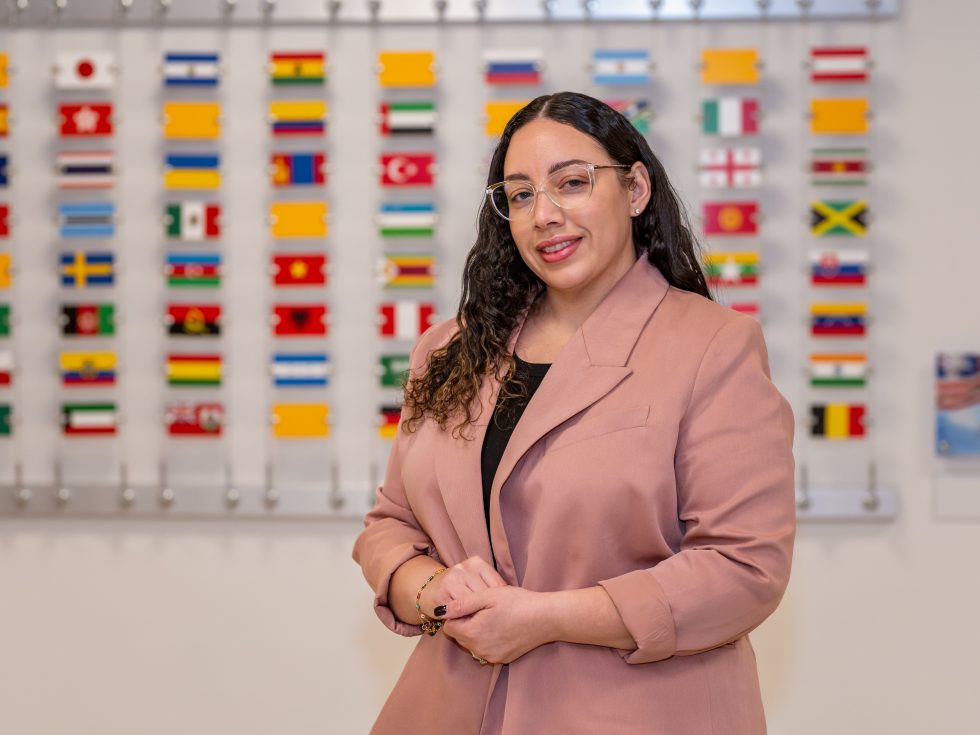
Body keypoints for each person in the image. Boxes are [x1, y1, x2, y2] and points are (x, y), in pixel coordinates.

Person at [353, 91, 796, 734]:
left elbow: (743, 568)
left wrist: (546, 617)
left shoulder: (713, 347)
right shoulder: (449, 348)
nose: (546, 215)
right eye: (522, 195)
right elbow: (389, 526)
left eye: (573, 183)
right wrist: (431, 591)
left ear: (636, 188)